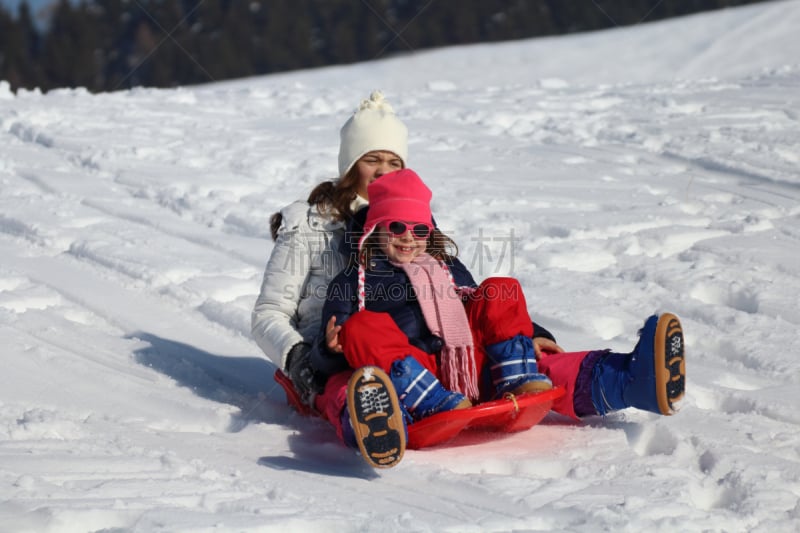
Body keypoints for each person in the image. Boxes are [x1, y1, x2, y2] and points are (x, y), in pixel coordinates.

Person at [309, 169, 686, 469]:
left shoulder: (448, 267)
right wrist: (330, 350)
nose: (408, 238)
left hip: (473, 366)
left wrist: (533, 333)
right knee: (360, 332)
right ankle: (389, 425)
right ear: (376, 229)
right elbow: (326, 362)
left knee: (499, 289)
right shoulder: (351, 282)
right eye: (396, 228)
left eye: (419, 229)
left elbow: (480, 307)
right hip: (413, 378)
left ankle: (633, 382)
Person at [251, 90, 408, 391]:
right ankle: (370, 417)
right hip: (326, 364)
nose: (383, 172)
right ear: (350, 166)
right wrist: (299, 358)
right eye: (372, 159)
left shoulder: (410, 227)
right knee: (346, 384)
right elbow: (269, 313)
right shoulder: (310, 226)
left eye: (394, 163)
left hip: (398, 351)